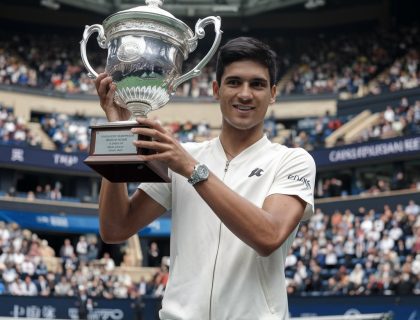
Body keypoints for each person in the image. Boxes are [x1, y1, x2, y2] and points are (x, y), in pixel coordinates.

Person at [96, 37, 316, 319]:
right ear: (216, 89)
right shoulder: (182, 156)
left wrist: (193, 170)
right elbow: (115, 228)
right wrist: (118, 130)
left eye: (257, 84)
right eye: (234, 82)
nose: (245, 94)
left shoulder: (291, 160)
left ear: (273, 93)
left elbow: (268, 235)